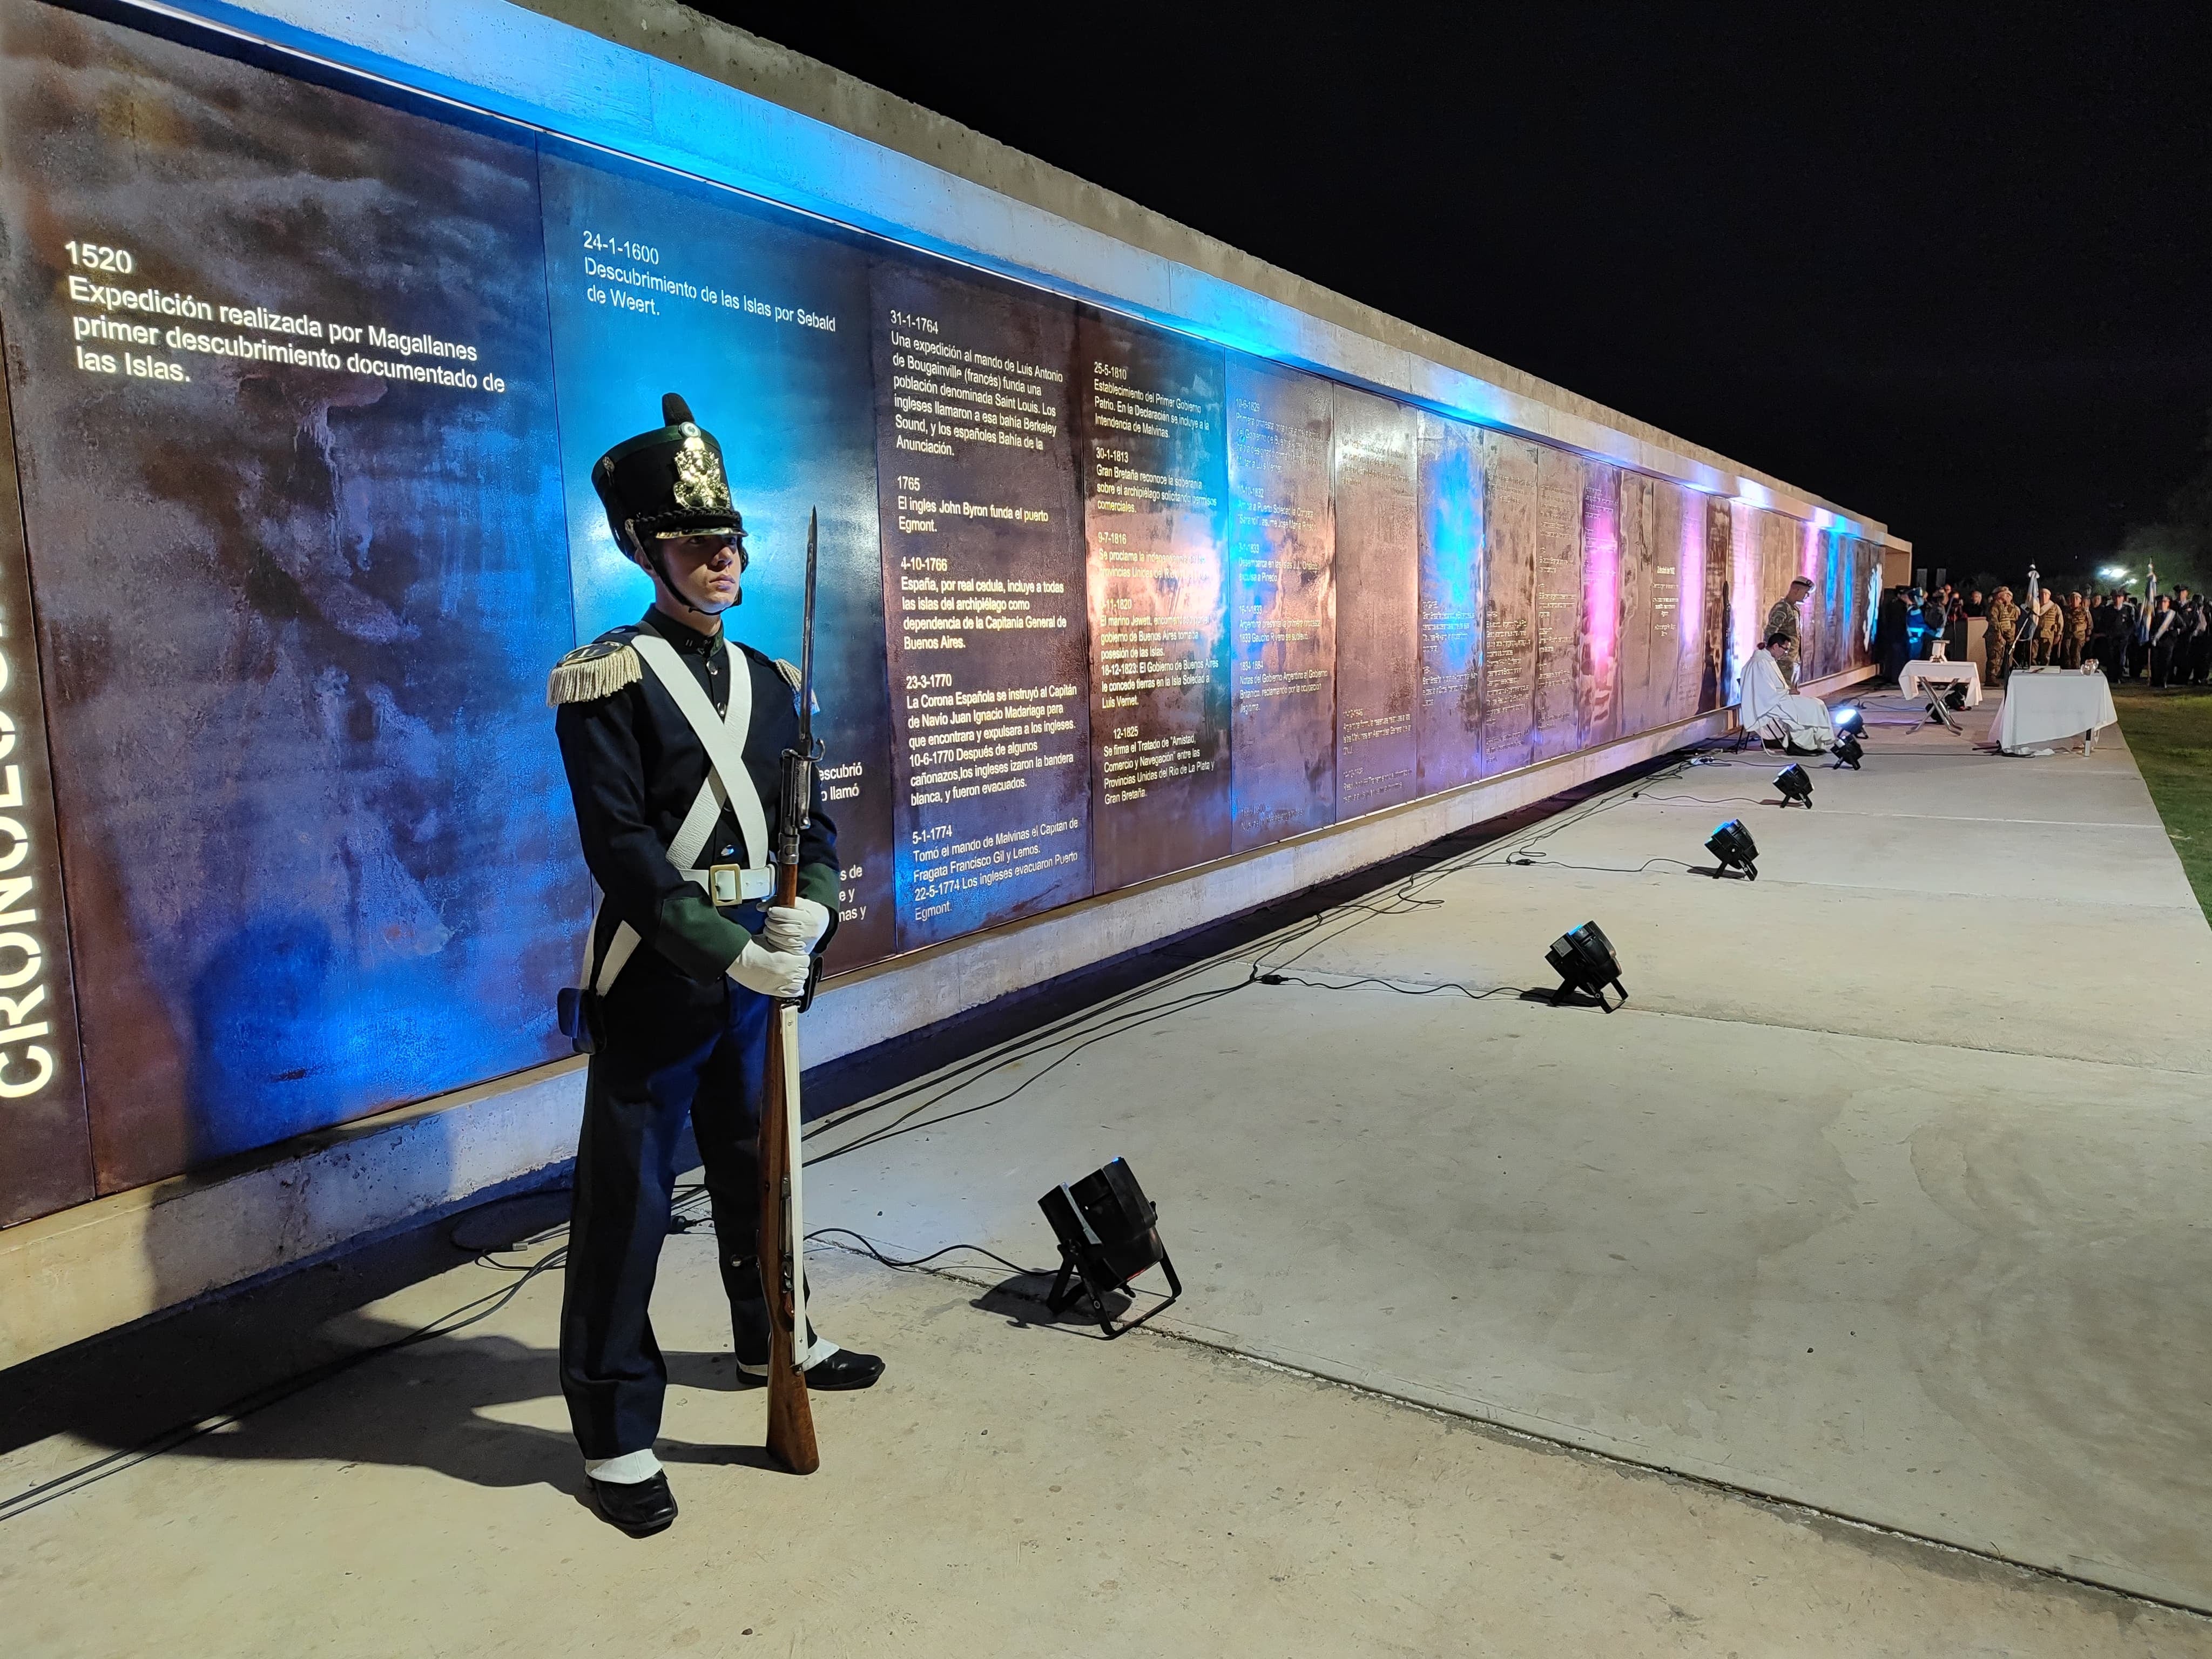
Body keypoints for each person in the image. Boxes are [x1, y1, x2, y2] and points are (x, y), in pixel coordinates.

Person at [549, 392, 883, 1539]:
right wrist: (730, 952)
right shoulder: (605, 679)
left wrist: (814, 921)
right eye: (695, 543)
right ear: (645, 551)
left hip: (763, 972)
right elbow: (626, 855)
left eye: (728, 540)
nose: (721, 559)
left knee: (764, 1169)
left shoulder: (778, 683)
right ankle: (613, 1423)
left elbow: (819, 833)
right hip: (662, 970)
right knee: (629, 1201)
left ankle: (772, 1339)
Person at [1740, 635, 1835, 751]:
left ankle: (1813, 743)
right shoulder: (1759, 663)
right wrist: (1788, 692)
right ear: (1775, 646)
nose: (1786, 653)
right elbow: (1764, 694)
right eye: (1785, 649)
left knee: (1818, 703)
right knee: (1812, 707)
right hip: (1768, 705)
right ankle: (1801, 745)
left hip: (1777, 699)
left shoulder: (1767, 660)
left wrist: (1787, 692)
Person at [1765, 576, 1812, 685]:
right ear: (1797, 590)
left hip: (1792, 661)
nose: (1808, 596)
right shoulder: (1783, 608)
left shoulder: (1794, 609)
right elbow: (1770, 633)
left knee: (1792, 694)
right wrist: (1775, 655)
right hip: (1783, 662)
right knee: (1783, 694)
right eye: (1806, 592)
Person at [1984, 585, 2020, 684]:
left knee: (1999, 657)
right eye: (2005, 594)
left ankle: (1994, 677)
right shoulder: (1995, 605)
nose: (2007, 596)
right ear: (2000, 595)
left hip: (2002, 635)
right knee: (1995, 657)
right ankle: (1991, 678)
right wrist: (1998, 632)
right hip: (1994, 635)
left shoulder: (2002, 606)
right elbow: (1993, 620)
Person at [1877, 585, 1912, 684]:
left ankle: (1892, 677)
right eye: (1906, 595)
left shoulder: (1893, 604)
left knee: (1894, 657)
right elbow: (1900, 622)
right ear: (1900, 595)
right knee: (1898, 657)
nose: (1908, 597)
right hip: (1897, 636)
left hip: (1893, 636)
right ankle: (1896, 679)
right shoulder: (1898, 606)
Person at [2147, 595, 2180, 687]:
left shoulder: (2173, 615)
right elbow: (2151, 628)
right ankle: (2155, 681)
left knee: (2165, 663)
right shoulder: (2154, 615)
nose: (2163, 604)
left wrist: (2173, 632)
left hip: (2168, 642)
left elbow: (2182, 626)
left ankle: (2163, 681)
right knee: (2155, 662)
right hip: (2156, 642)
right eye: (2161, 602)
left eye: (2165, 602)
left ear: (2169, 603)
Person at [2060, 591, 2090, 670]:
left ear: (2080, 600)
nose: (2074, 600)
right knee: (2066, 651)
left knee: (2076, 653)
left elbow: (2090, 624)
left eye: (2077, 599)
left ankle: (2076, 669)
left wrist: (2088, 635)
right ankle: (2067, 669)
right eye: (2073, 598)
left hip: (2079, 636)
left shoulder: (2084, 611)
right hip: (2068, 635)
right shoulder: (2067, 611)